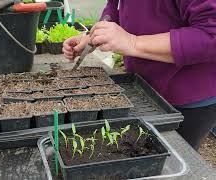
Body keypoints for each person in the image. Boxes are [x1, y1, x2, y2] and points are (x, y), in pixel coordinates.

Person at [63, 0, 216, 151]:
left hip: (188, 99)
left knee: (174, 159)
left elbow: (211, 35)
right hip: (142, 86)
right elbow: (114, 5)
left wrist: (133, 42)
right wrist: (94, 36)